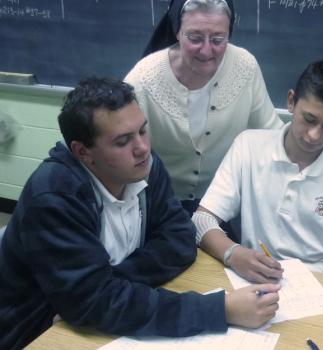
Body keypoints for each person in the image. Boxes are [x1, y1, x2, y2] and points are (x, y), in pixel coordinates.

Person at [0, 77, 280, 350]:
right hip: (35, 329)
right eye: (123, 141)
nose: (143, 148)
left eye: (142, 131)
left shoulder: (144, 167)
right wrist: (220, 309)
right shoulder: (55, 196)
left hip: (82, 313)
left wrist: (110, 282)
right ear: (83, 152)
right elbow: (96, 305)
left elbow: (180, 239)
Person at [193, 60, 323, 283]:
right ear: (291, 101)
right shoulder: (248, 146)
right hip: (254, 279)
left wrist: (310, 285)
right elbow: (201, 220)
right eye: (309, 119)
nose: (314, 135)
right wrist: (233, 254)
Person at [125, 0, 283, 218]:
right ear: (177, 32)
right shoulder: (144, 78)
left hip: (222, 202)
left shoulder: (245, 66)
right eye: (195, 38)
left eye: (218, 39)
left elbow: (270, 133)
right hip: (158, 203)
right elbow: (123, 149)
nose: (207, 50)